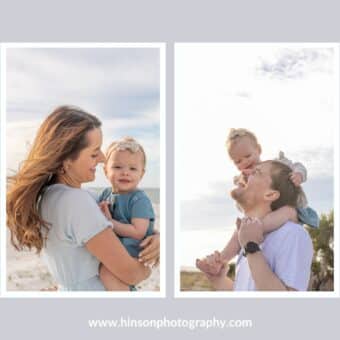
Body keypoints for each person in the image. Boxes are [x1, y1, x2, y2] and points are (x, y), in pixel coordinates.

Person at [7, 106, 160, 291]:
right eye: (95, 153)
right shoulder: (75, 202)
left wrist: (157, 238)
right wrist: (148, 266)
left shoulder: (49, 196)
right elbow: (131, 273)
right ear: (66, 159)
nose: (103, 158)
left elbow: (126, 220)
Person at [196, 128, 318, 275]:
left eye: (247, 156)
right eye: (238, 161)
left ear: (258, 150)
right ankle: (221, 260)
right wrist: (243, 188)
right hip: (265, 212)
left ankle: (255, 230)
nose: (245, 162)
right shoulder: (243, 179)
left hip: (288, 206)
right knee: (239, 230)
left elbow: (298, 166)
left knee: (287, 211)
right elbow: (245, 206)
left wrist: (298, 175)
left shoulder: (275, 165)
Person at [201, 161, 313, 291]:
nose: (245, 174)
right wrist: (218, 280)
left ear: (270, 195)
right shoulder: (248, 237)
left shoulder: (293, 234)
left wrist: (251, 247)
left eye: (256, 172)